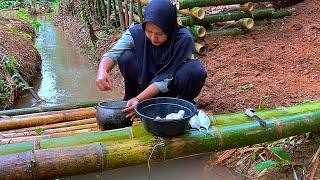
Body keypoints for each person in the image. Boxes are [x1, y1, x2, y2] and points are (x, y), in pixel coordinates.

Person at [96, 0, 207, 119]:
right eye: (149, 32)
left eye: (159, 33)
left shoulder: (183, 40)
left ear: (170, 29)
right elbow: (113, 53)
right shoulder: (136, 32)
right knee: (126, 57)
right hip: (146, 84)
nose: (153, 38)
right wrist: (102, 70)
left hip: (172, 88)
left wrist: (140, 99)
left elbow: (164, 79)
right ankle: (133, 99)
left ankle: (180, 105)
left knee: (194, 70)